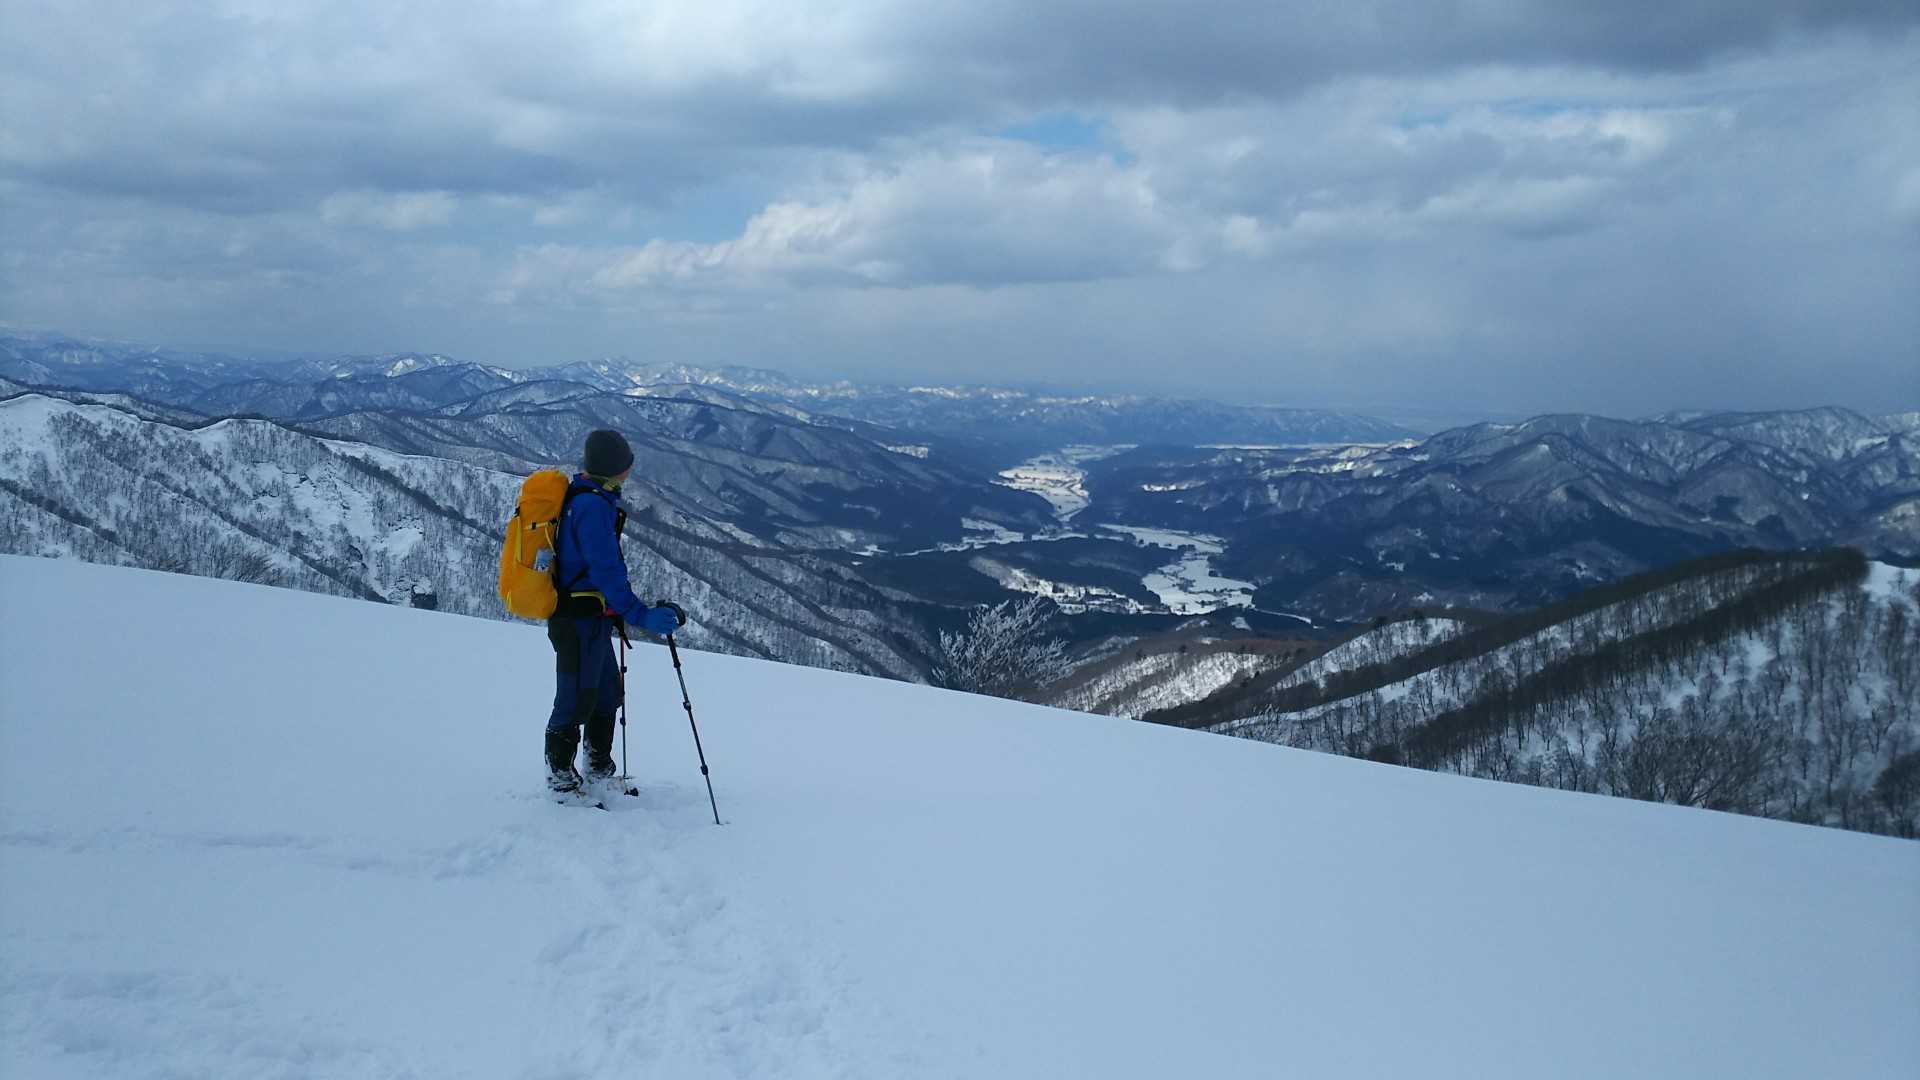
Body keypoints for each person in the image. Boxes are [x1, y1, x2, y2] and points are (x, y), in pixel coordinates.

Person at [545, 429, 687, 793]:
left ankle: (598, 769)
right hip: (575, 618)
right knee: (574, 698)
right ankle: (561, 783)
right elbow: (605, 570)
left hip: (591, 617)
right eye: (627, 463)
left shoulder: (590, 495)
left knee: (606, 692)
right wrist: (639, 615)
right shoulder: (592, 506)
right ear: (617, 467)